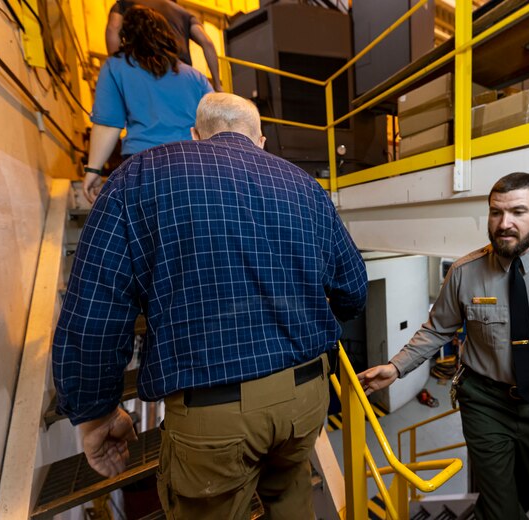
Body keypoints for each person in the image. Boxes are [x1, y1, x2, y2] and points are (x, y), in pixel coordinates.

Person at [53, 93, 367, 519]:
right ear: (261, 140)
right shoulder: (305, 186)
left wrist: (95, 414)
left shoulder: (141, 177)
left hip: (213, 414)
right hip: (305, 398)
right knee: (293, 499)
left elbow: (94, 313)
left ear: (197, 135)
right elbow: (353, 291)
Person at [359, 172, 529, 520]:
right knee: (499, 503)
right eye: (496, 212)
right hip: (485, 402)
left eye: (517, 212)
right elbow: (437, 330)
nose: (504, 224)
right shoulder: (465, 272)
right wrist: (396, 367)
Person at [84, 5, 213, 203]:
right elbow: (215, 124)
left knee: (145, 232)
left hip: (142, 165)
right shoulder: (195, 76)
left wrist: (93, 169)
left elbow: (108, 123)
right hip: (192, 165)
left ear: (126, 35)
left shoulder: (115, 66)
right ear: (168, 35)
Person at [106, 0, 222, 92]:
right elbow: (207, 42)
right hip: (180, 73)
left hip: (144, 67)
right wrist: (217, 85)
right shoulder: (184, 13)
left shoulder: (125, 3)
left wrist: (116, 67)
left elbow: (113, 28)